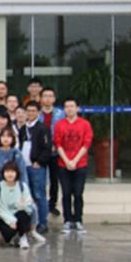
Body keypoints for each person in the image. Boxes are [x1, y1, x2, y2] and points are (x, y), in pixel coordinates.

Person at [54, 97, 93, 234]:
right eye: (67, 106)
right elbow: (57, 144)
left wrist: (75, 161)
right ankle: (67, 220)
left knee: (78, 193)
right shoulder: (59, 124)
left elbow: (86, 144)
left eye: (72, 106)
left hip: (80, 163)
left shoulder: (85, 124)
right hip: (63, 164)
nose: (69, 109)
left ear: (77, 108)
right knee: (66, 193)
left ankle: (78, 220)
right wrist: (67, 161)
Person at [19, 101, 53, 233]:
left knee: (39, 195)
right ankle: (31, 222)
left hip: (36, 166)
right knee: (28, 195)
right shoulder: (23, 128)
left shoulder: (42, 128)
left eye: (33, 111)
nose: (31, 113)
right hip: (24, 166)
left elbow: (47, 148)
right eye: (28, 111)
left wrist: (39, 161)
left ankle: (42, 223)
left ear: (38, 113)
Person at [0, 161, 34, 249]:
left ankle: (23, 237)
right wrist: (11, 220)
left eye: (12, 171)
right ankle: (14, 236)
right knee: (8, 235)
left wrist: (21, 205)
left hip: (19, 214)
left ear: (16, 173)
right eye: (7, 171)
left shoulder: (22, 186)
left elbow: (27, 203)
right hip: (4, 217)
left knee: (23, 215)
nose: (10, 174)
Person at [40, 87, 65, 217]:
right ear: (41, 98)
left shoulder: (61, 114)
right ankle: (42, 204)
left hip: (56, 151)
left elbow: (63, 132)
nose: (48, 99)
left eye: (50, 96)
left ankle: (52, 204)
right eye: (45, 96)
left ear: (54, 99)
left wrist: (57, 145)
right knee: (41, 179)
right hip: (41, 152)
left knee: (54, 180)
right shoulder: (36, 113)